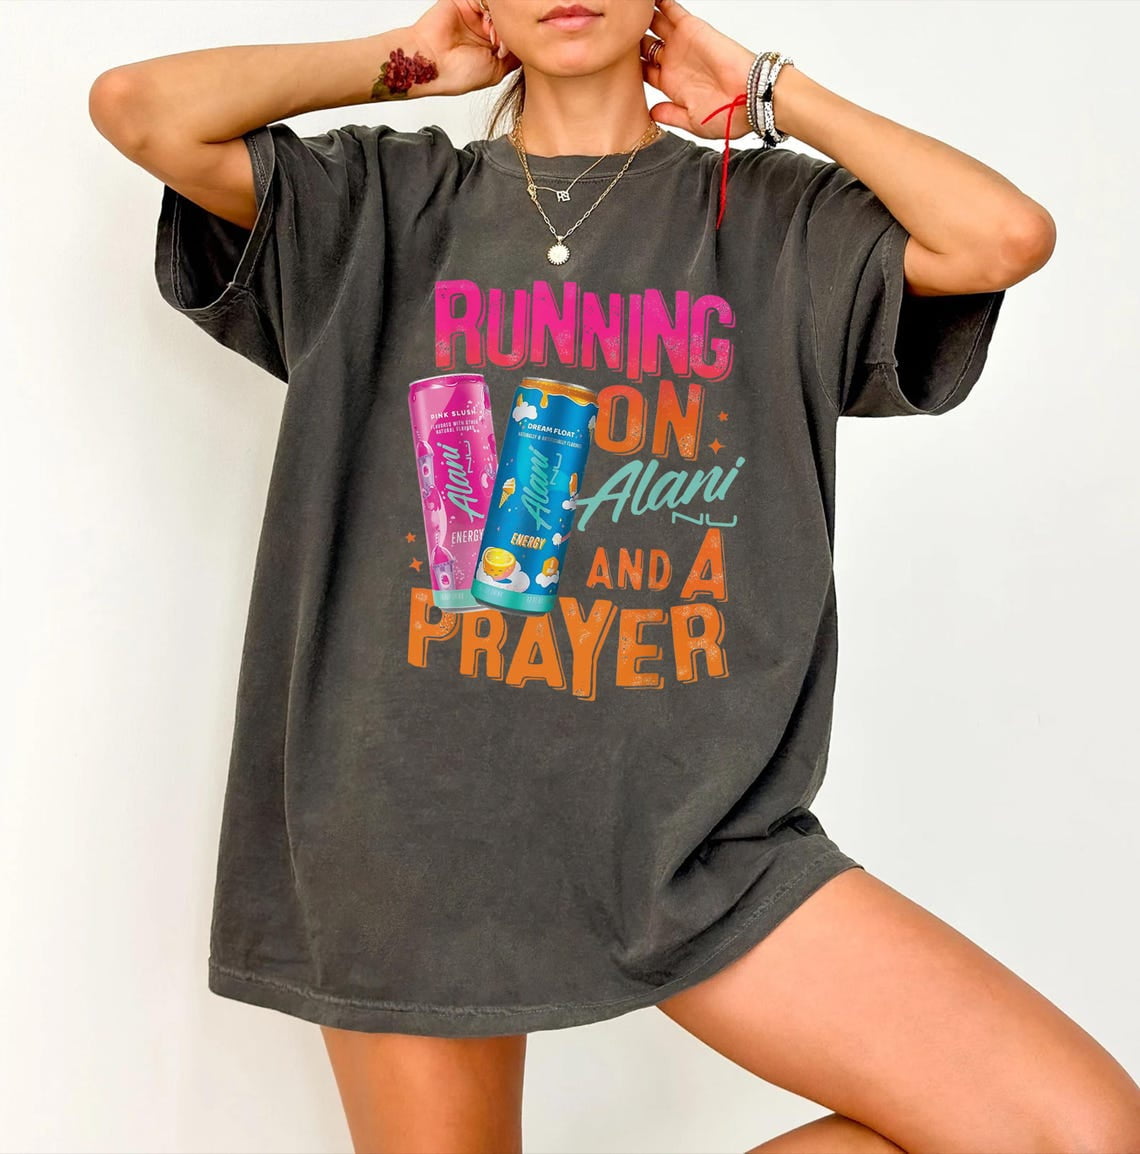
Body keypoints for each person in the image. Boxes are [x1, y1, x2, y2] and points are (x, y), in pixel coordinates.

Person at [88, 1, 1140, 1151]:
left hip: (701, 837)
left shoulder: (773, 217)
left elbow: (1001, 237)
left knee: (1075, 1131)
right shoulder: (381, 199)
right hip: (411, 826)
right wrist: (403, 65)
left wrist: (770, 92)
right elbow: (138, 110)